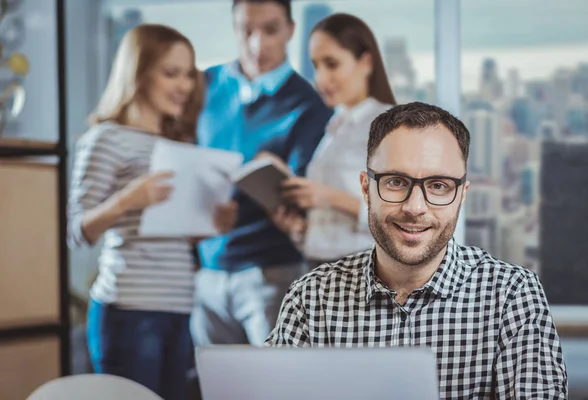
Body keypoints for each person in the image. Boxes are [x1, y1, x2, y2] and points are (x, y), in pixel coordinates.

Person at [266, 102, 568, 399]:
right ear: (365, 188)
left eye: (438, 185)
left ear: (461, 195)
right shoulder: (311, 296)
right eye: (396, 182)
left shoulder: (512, 295)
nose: (415, 207)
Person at [68, 24, 237, 400]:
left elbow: (169, 232)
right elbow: (77, 231)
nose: (185, 85)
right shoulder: (106, 138)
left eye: (189, 74)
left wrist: (212, 226)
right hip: (128, 310)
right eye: (171, 73)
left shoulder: (180, 144)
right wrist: (129, 198)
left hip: (179, 308)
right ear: (139, 74)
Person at [190, 0, 332, 347]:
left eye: (270, 30)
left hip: (270, 273)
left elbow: (303, 196)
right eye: (246, 30)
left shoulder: (309, 105)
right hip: (207, 271)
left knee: (274, 386)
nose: (257, 44)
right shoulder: (205, 86)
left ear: (290, 30)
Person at [272, 13, 395, 270]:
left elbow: (398, 213)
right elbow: (332, 230)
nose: (321, 79)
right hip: (320, 267)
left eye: (332, 64)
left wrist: (328, 198)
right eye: (316, 66)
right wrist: (299, 229)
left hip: (364, 269)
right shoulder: (335, 125)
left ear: (366, 62)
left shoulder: (387, 124)